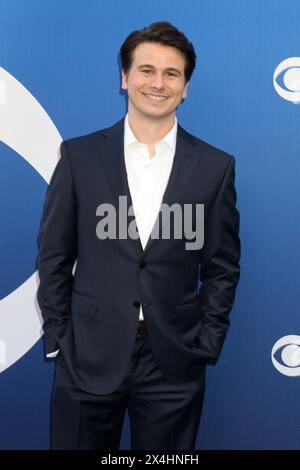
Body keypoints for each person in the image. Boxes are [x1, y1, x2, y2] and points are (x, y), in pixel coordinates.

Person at [37, 21, 240, 450]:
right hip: (87, 357)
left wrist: (206, 339)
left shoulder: (214, 167)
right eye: (146, 70)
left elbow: (222, 266)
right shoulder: (79, 156)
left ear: (185, 87)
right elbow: (54, 256)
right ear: (125, 78)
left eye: (172, 74)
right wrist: (60, 336)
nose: (158, 83)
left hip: (174, 362)